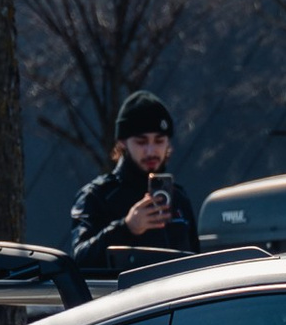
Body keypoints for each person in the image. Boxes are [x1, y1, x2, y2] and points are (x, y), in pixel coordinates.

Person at [71, 90, 199, 258]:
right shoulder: (97, 196)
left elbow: (196, 262)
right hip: (124, 285)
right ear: (122, 143)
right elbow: (79, 259)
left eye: (159, 141)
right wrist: (127, 227)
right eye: (141, 142)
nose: (151, 150)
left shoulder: (179, 198)